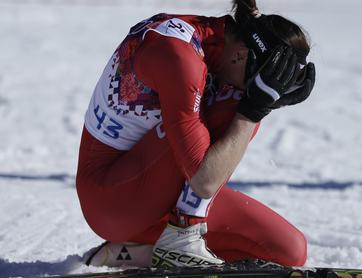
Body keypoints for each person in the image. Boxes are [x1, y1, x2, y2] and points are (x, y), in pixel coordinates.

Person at [76, 0, 316, 268]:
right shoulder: (179, 57)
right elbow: (204, 181)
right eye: (257, 77)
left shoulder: (224, 45)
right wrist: (256, 107)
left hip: (158, 195)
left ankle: (137, 252)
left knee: (289, 251)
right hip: (113, 203)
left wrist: (261, 102)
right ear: (240, 55)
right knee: (239, 105)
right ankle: (183, 233)